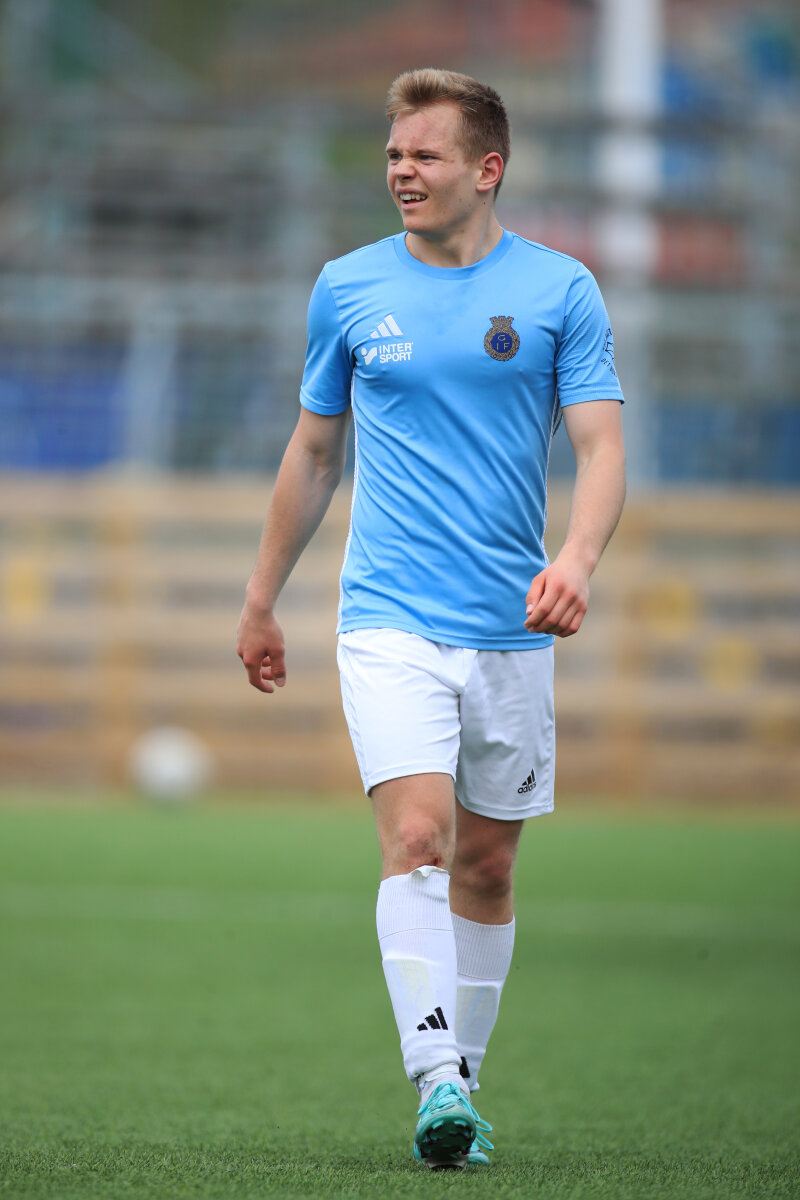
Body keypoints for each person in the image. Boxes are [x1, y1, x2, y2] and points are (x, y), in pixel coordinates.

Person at [237, 67, 626, 1170]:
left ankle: (461, 1083)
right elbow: (315, 452)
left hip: (512, 628)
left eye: (424, 155)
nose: (401, 171)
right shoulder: (347, 287)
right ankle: (438, 1082)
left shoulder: (560, 290)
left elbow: (600, 445)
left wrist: (576, 559)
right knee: (417, 840)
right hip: (388, 616)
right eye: (394, 154)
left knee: (487, 869)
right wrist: (260, 598)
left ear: (485, 169)